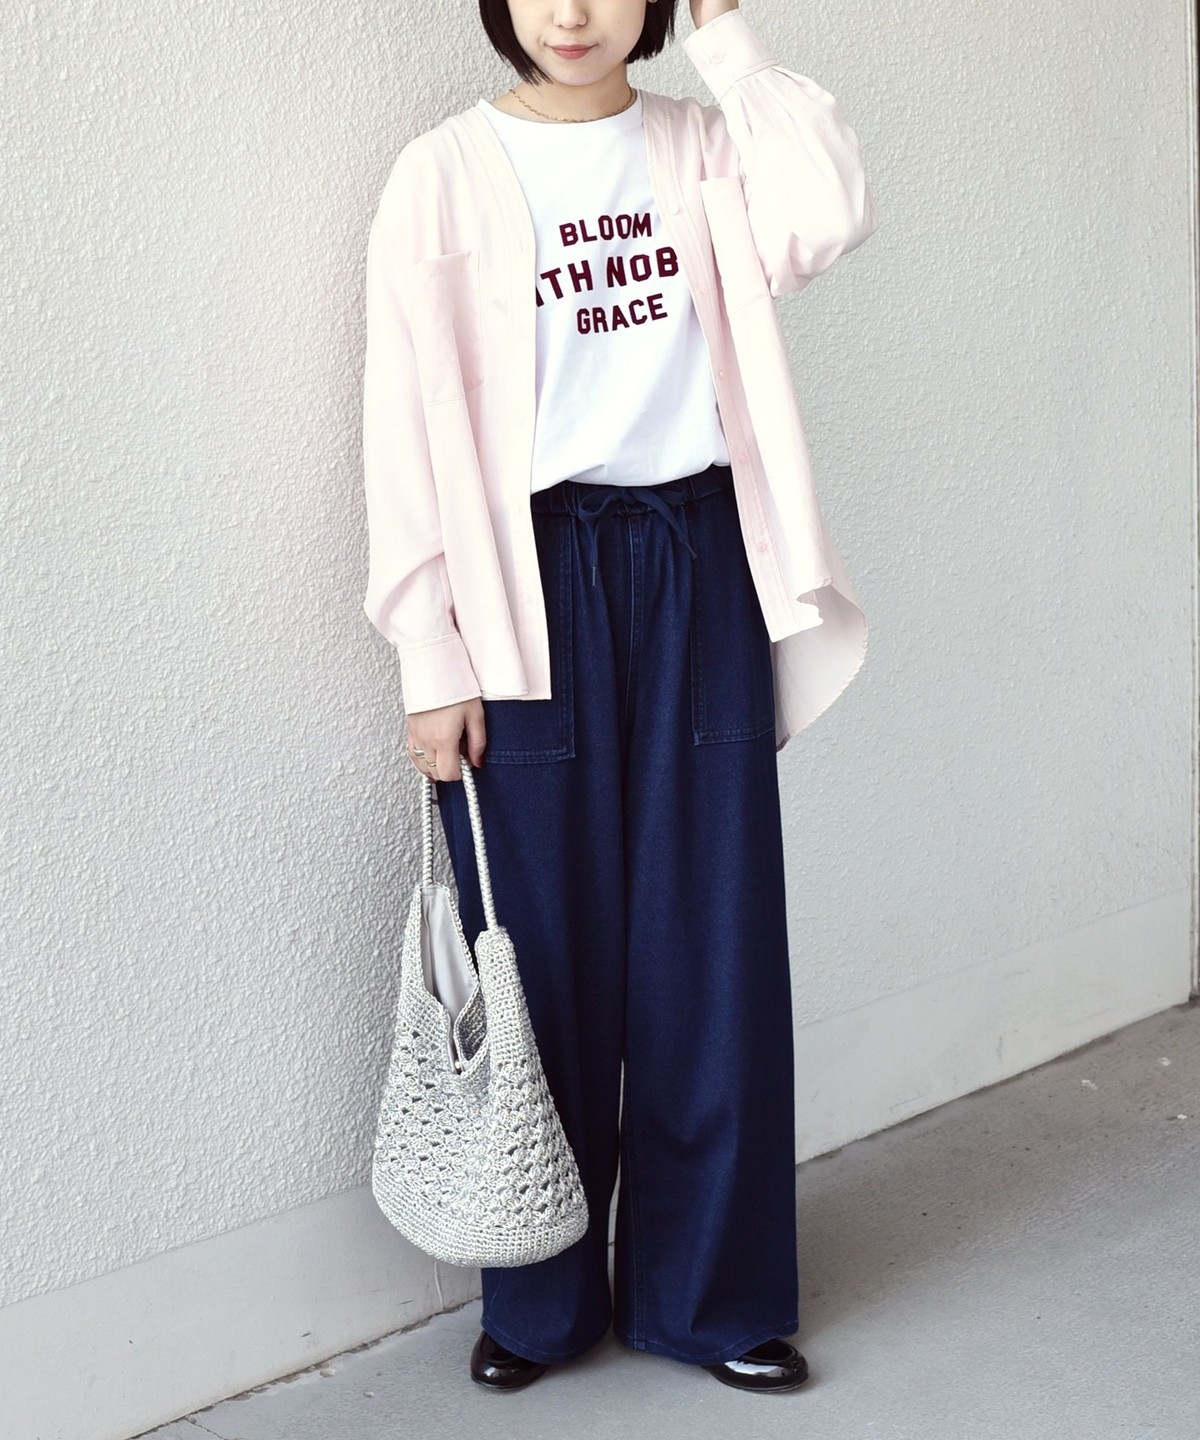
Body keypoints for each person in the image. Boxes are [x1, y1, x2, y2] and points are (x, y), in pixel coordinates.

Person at [361, 0, 878, 1396]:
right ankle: (536, 1303)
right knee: (537, 950)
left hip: (697, 561)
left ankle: (714, 1299)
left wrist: (730, 38)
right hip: (524, 586)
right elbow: (400, 425)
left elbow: (826, 215)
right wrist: (428, 658)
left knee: (712, 944)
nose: (573, 11)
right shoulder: (441, 174)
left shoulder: (705, 146)